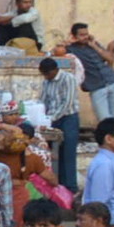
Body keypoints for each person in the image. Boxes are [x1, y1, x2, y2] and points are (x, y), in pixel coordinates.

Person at [36, 55, 83, 195]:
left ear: (55, 70)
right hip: (52, 119)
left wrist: (51, 118)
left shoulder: (68, 79)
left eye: (47, 73)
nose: (46, 77)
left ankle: (71, 188)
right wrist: (41, 117)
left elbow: (67, 103)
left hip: (68, 118)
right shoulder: (46, 82)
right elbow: (43, 100)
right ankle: (59, 185)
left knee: (68, 153)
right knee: (54, 153)